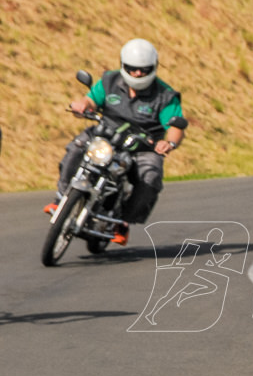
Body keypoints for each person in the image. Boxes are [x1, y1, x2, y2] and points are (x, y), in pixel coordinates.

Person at [46, 39, 185, 245]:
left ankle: (122, 221)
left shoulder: (165, 95)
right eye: (133, 69)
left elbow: (175, 127)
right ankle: (61, 198)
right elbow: (91, 99)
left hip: (142, 147)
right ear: (123, 66)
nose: (137, 74)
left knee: (150, 177)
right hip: (104, 135)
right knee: (76, 147)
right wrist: (82, 106)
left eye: (144, 70)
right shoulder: (109, 81)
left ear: (154, 68)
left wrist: (169, 143)